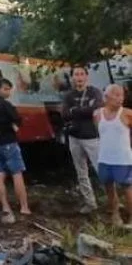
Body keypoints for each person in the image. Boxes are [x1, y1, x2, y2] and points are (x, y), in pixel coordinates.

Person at [0, 78, 31, 224]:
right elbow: (18, 120)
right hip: (8, 143)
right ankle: (24, 207)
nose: (8, 91)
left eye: (9, 89)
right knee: (17, 173)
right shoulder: (6, 105)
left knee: (0, 175)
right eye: (5, 89)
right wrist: (14, 125)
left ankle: (6, 207)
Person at [62, 65, 104, 214]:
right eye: (76, 74)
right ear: (72, 77)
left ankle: (113, 200)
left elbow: (97, 108)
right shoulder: (69, 96)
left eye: (81, 74)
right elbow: (65, 114)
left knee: (102, 170)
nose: (79, 77)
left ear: (86, 76)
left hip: (92, 137)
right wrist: (85, 110)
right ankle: (90, 202)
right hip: (75, 137)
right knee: (81, 172)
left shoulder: (95, 92)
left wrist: (75, 110)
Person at [94, 84, 132, 227]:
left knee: (127, 188)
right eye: (116, 95)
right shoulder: (97, 114)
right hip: (104, 158)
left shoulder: (126, 113)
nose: (119, 98)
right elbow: (100, 133)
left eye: (121, 95)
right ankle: (115, 215)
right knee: (109, 188)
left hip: (122, 159)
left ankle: (131, 218)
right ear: (106, 97)